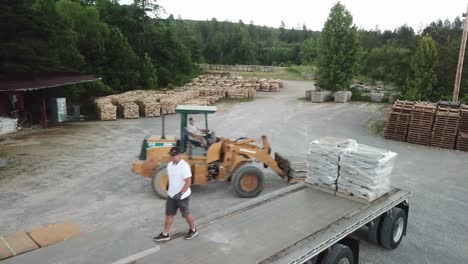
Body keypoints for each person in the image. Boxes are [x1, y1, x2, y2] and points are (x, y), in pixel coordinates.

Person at [153, 147, 198, 241]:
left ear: (179, 155)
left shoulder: (184, 166)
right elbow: (171, 178)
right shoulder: (170, 165)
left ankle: (193, 230)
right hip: (171, 195)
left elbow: (188, 182)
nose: (172, 157)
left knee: (186, 214)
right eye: (171, 155)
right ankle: (165, 234)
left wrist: (181, 193)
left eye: (174, 155)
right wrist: (168, 187)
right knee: (169, 214)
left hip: (183, 196)